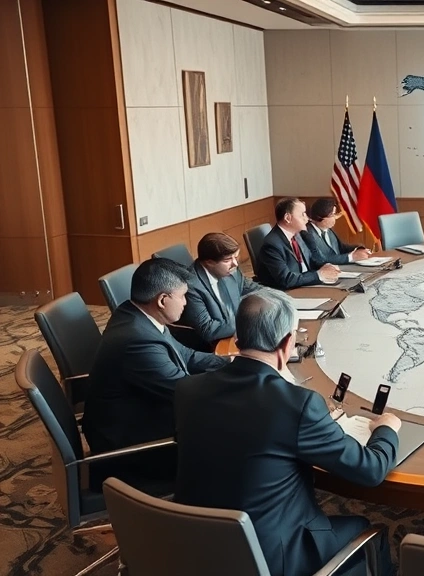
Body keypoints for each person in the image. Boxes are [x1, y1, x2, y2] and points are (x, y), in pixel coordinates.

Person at [175, 289, 400, 576]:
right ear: (286, 343)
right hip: (268, 557)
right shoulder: (298, 404)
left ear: (238, 339)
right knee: (370, 531)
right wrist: (386, 430)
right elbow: (370, 470)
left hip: (189, 542)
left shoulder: (188, 389)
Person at [82, 258, 229, 488]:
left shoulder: (137, 314)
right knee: (231, 429)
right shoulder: (137, 340)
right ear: (162, 300)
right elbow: (186, 391)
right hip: (135, 448)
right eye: (182, 296)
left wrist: (232, 362)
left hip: (142, 415)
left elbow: (186, 356)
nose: (186, 303)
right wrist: (238, 380)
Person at [177, 233, 261, 351]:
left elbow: (252, 289)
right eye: (228, 260)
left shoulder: (231, 270)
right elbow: (208, 329)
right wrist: (247, 322)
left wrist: (280, 300)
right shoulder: (191, 286)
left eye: (235, 257)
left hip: (238, 336)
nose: (235, 264)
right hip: (213, 348)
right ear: (209, 262)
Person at [257, 198, 342, 290]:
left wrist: (327, 266)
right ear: (287, 218)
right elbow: (286, 280)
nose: (307, 218)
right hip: (288, 292)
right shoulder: (272, 245)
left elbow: (315, 259)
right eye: (302, 214)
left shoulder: (301, 234)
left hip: (305, 284)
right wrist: (319, 274)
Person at [302, 198, 373, 264]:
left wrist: (359, 249)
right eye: (332, 215)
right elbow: (320, 260)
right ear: (320, 217)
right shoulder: (308, 234)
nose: (335, 218)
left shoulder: (328, 230)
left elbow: (341, 248)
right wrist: (351, 257)